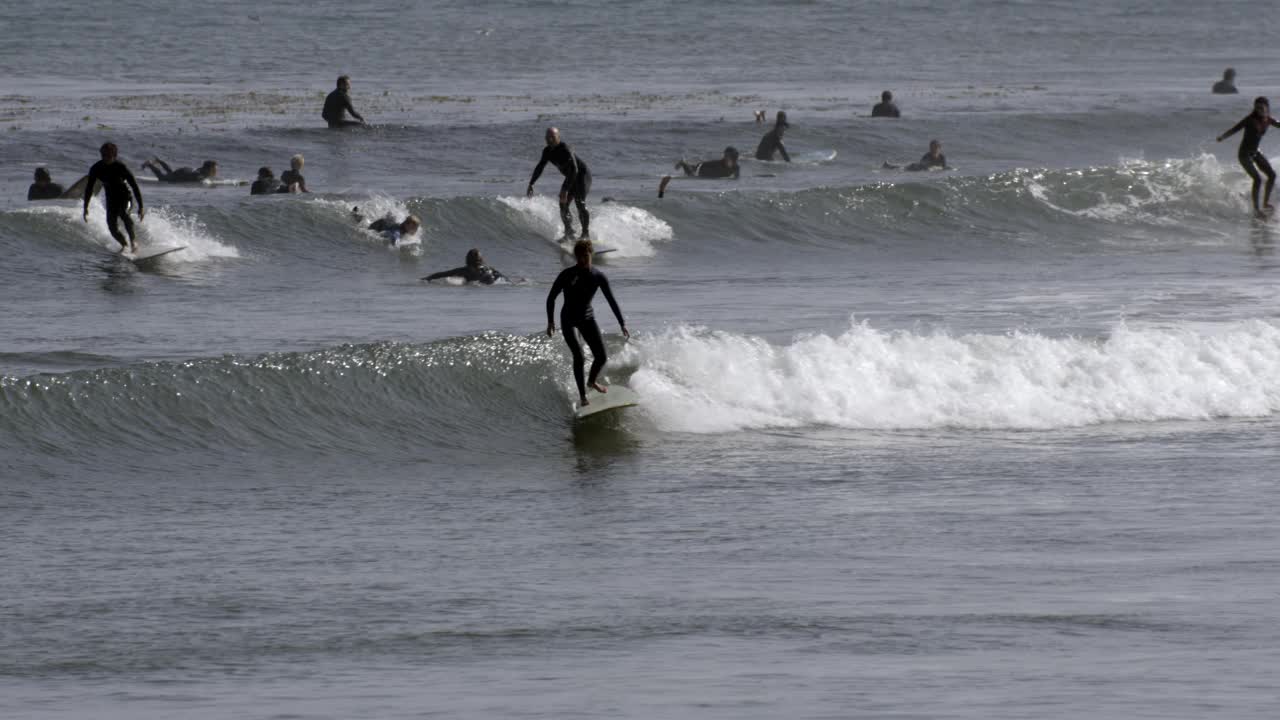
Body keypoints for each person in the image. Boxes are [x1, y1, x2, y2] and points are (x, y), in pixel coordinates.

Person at [545, 239, 629, 408]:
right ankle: (583, 396)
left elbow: (611, 300)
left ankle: (591, 382)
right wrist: (551, 321)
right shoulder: (567, 274)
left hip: (587, 318)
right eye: (579, 256)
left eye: (585, 256)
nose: (582, 259)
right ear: (576, 256)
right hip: (568, 318)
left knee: (601, 356)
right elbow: (551, 297)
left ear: (591, 254)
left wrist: (622, 323)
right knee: (579, 356)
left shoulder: (598, 276)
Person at [1217, 96, 1280, 218]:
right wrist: (1223, 137)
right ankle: (1256, 209)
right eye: (1257, 107)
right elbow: (1235, 129)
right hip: (1244, 155)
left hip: (1255, 153)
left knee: (1272, 175)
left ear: (1267, 108)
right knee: (1257, 179)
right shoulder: (1250, 120)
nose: (1259, 110)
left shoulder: (1269, 120)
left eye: (1261, 107)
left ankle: (1265, 203)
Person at [527, 127, 592, 239]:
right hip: (570, 178)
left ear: (558, 137)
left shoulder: (566, 149)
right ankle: (569, 232)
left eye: (552, 137)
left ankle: (585, 234)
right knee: (563, 204)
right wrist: (531, 183)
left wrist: (565, 189)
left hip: (582, 176)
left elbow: (575, 169)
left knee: (579, 202)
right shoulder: (547, 151)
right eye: (548, 137)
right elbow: (540, 167)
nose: (550, 139)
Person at [83, 142, 144, 253]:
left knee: (124, 213)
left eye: (108, 156)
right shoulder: (96, 168)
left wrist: (141, 207)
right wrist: (85, 207)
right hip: (111, 199)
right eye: (103, 155)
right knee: (112, 227)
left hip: (125, 197)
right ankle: (124, 245)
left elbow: (134, 186)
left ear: (114, 155)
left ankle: (133, 242)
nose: (106, 158)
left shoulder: (121, 167)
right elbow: (89, 189)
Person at [423, 248, 504, 284]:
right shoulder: (490, 269)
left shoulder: (466, 270)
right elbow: (504, 278)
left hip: (478, 283)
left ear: (467, 259)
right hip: (489, 282)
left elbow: (443, 274)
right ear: (481, 260)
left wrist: (427, 278)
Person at [674, 146, 740, 179]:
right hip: (703, 171)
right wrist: (697, 166)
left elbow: (736, 178)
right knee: (691, 175)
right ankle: (683, 163)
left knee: (692, 173)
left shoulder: (736, 168)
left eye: (728, 156)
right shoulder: (719, 163)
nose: (726, 158)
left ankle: (686, 164)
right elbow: (705, 164)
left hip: (710, 176)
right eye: (726, 156)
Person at [142, 157, 217, 183]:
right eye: (214, 168)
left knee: (170, 173)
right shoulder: (202, 175)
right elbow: (197, 177)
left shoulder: (204, 171)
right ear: (210, 168)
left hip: (185, 171)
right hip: (183, 173)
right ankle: (149, 164)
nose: (216, 170)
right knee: (162, 178)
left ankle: (159, 161)